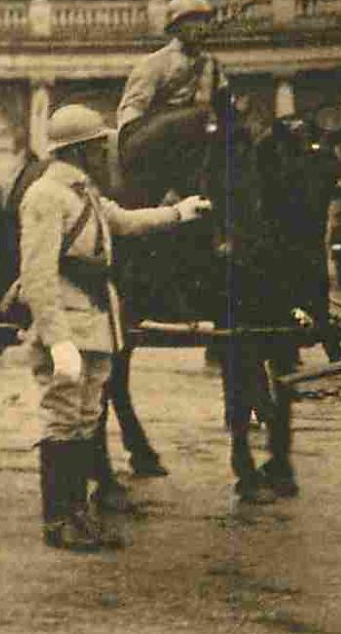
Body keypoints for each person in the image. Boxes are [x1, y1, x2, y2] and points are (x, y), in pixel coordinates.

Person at [14, 105, 210, 551]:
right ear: (80, 151)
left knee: (85, 419)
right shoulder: (46, 196)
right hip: (68, 328)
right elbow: (38, 275)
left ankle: (79, 514)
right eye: (100, 146)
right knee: (63, 421)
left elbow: (123, 221)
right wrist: (57, 339)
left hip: (99, 325)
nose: (108, 153)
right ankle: (58, 521)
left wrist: (178, 213)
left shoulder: (84, 194)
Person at [116, 0, 228, 151]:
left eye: (203, 21)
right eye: (191, 20)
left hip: (198, 139)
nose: (199, 26)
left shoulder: (211, 64)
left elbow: (221, 103)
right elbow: (132, 112)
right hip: (163, 142)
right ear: (175, 27)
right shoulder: (154, 63)